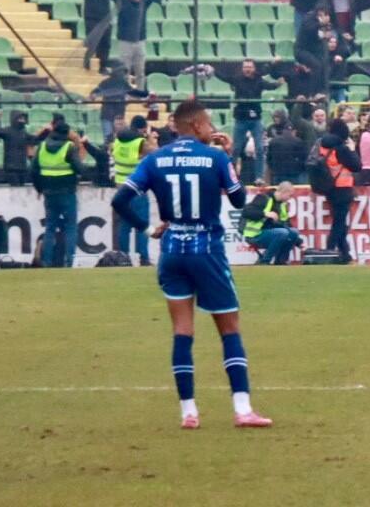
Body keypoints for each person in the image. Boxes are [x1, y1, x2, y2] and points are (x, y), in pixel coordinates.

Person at [111, 98, 272, 429]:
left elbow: (120, 200)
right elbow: (240, 200)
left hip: (171, 251)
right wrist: (229, 156)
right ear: (197, 125)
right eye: (209, 123)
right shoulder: (214, 157)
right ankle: (242, 409)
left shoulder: (155, 159)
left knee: (182, 332)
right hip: (206, 249)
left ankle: (189, 412)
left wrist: (147, 229)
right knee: (229, 329)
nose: (212, 128)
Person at [33, 117, 89, 268]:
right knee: (70, 227)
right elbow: (80, 168)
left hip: (49, 193)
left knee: (50, 228)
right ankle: (70, 260)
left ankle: (46, 261)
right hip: (67, 193)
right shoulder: (69, 147)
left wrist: (39, 188)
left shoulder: (42, 146)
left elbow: (33, 170)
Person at [311, 118, 360, 264]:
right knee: (339, 223)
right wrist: (352, 149)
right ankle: (330, 250)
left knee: (339, 221)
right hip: (343, 187)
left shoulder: (321, 144)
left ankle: (345, 254)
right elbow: (357, 166)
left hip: (328, 187)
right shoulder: (341, 148)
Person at [110, 116, 156, 265]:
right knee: (141, 224)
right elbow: (156, 152)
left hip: (120, 188)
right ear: (142, 128)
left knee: (124, 225)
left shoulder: (117, 140)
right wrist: (149, 136)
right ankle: (143, 257)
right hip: (137, 189)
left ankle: (124, 257)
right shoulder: (140, 142)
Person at [241, 182, 303, 265]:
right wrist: (265, 214)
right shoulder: (263, 198)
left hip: (269, 234)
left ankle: (281, 262)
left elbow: (286, 226)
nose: (289, 198)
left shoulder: (282, 205)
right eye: (289, 195)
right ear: (284, 192)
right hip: (255, 235)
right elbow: (246, 212)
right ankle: (264, 262)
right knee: (282, 233)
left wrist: (299, 242)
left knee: (294, 232)